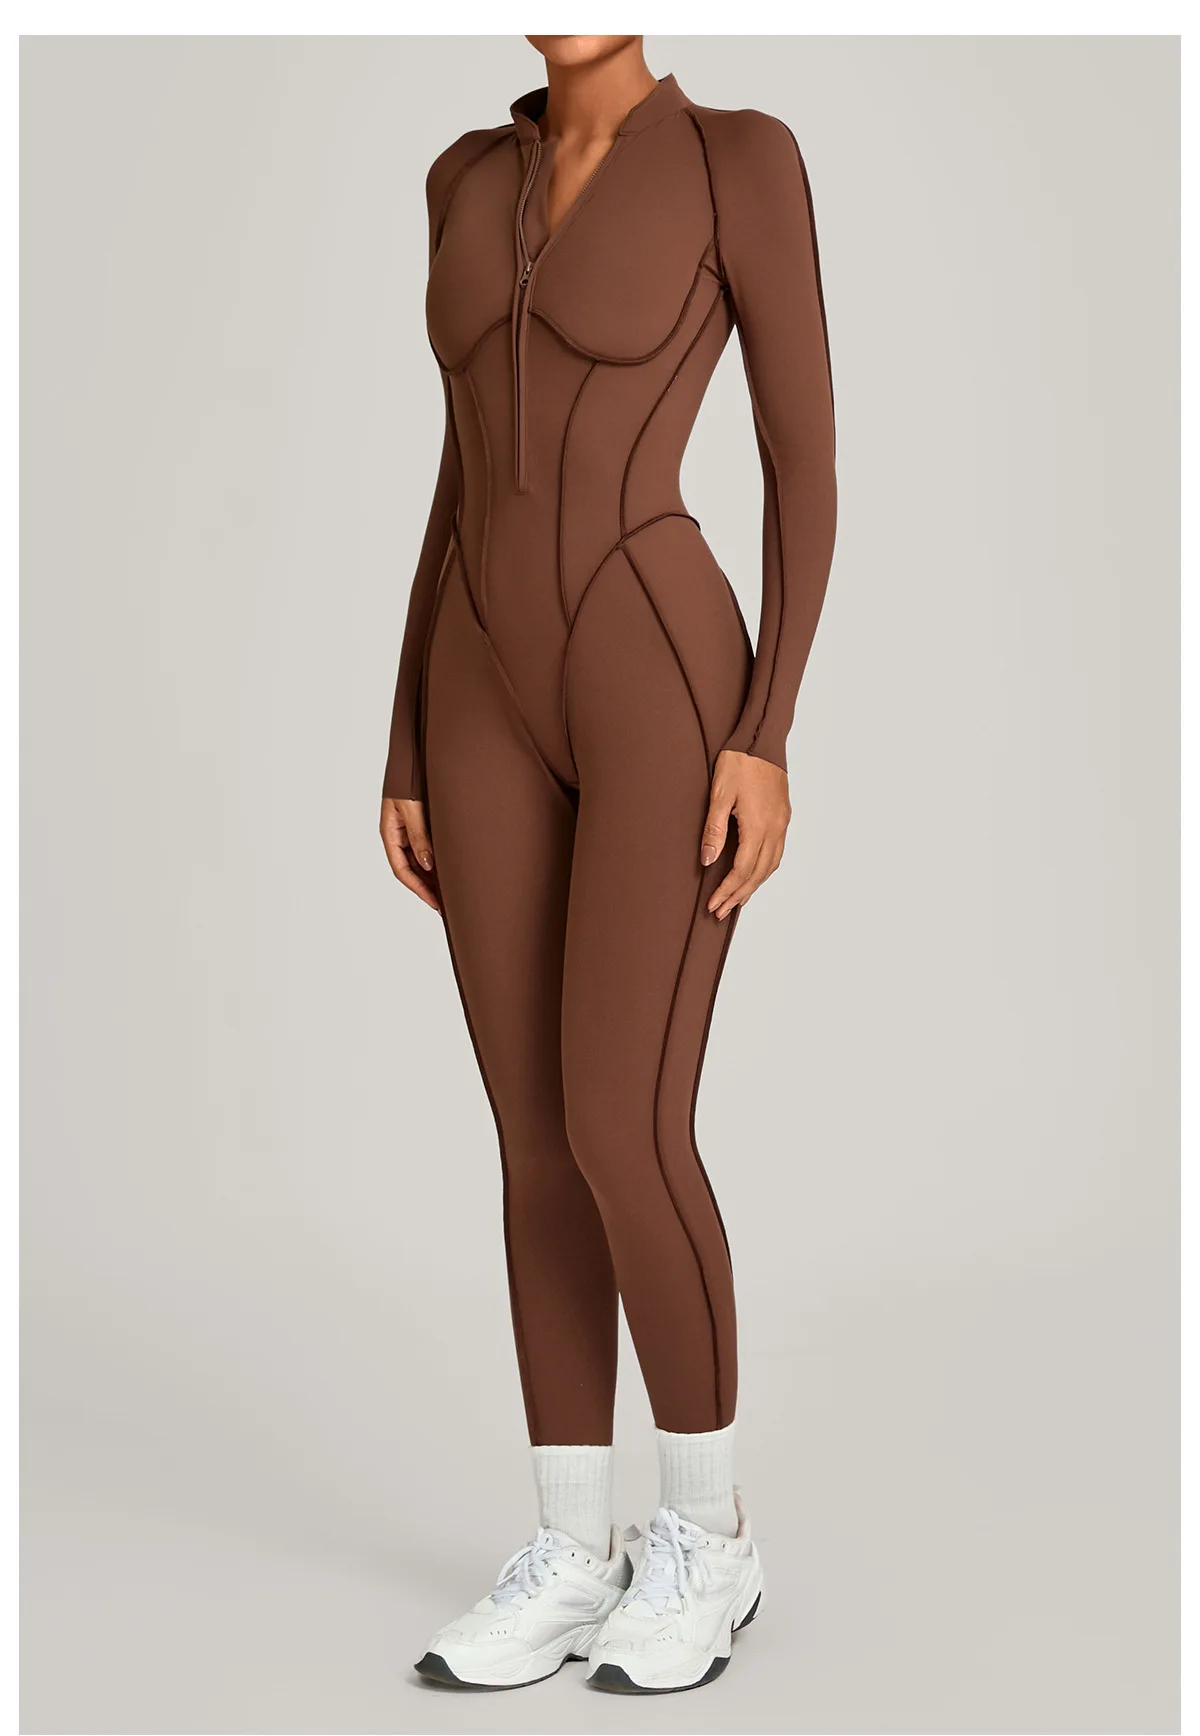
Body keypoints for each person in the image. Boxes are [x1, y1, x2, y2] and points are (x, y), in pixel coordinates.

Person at [379, 33, 836, 1695]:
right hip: (477, 689)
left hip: (658, 673)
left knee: (623, 1123)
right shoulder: (463, 177)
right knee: (531, 1141)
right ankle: (573, 1549)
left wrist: (767, 732)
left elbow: (803, 461)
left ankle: (708, 1541)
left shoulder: (737, 157)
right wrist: (405, 735)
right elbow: (457, 478)